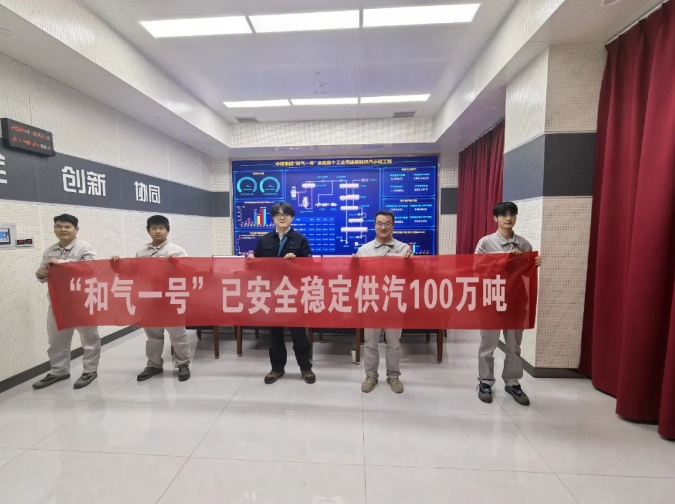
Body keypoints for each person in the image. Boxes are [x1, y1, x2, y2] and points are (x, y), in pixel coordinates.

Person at [475, 201, 542, 406]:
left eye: (512, 214)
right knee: (488, 345)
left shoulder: (524, 244)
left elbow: (526, 275)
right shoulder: (486, 243)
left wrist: (532, 264)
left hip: (515, 301)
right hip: (492, 299)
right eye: (504, 215)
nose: (508, 218)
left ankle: (512, 382)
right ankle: (485, 382)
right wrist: (503, 259)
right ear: (495, 218)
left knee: (514, 345)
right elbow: (477, 269)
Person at [112, 215, 192, 382]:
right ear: (148, 231)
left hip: (171, 297)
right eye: (154, 228)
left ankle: (183, 364)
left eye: (161, 228)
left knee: (177, 333)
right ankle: (154, 364)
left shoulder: (177, 251)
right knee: (153, 335)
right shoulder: (141, 252)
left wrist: (177, 263)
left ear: (167, 230)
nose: (158, 231)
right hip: (148, 298)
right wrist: (118, 264)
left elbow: (189, 272)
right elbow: (134, 273)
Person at [248, 202, 316, 385]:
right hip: (271, 294)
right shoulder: (264, 240)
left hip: (294, 294)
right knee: (275, 335)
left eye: (286, 214)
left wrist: (297, 260)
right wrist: (252, 260)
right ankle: (277, 369)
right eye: (278, 214)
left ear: (292, 217)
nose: (282, 217)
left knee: (299, 335)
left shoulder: (300, 239)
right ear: (273, 218)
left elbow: (310, 267)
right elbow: (256, 268)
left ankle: (306, 368)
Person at [33, 214, 101, 390]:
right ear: (54, 229)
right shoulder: (49, 251)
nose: (62, 230)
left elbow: (87, 270)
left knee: (89, 339)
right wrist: (40, 274)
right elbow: (44, 276)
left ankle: (90, 371)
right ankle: (59, 370)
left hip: (83, 302)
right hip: (58, 303)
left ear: (76, 229)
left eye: (67, 226)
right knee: (56, 340)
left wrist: (60, 262)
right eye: (59, 226)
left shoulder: (85, 248)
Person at [353, 210, 411, 394]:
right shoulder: (364, 250)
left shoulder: (404, 249)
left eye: (387, 223)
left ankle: (393, 376)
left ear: (393, 226)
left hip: (394, 302)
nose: (383, 227)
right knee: (370, 342)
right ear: (374, 225)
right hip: (372, 301)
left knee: (394, 343)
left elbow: (411, 276)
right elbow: (356, 277)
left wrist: (412, 263)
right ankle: (371, 375)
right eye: (379, 223)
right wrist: (353, 265)